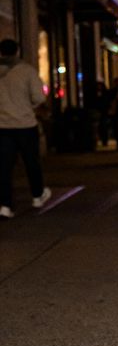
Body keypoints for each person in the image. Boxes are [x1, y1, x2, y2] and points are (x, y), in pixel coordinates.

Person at [0, 38, 51, 218]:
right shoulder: (27, 71)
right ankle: (37, 195)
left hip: (2, 126)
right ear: (17, 51)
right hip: (25, 124)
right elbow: (39, 98)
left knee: (4, 167)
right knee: (31, 161)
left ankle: (5, 205)